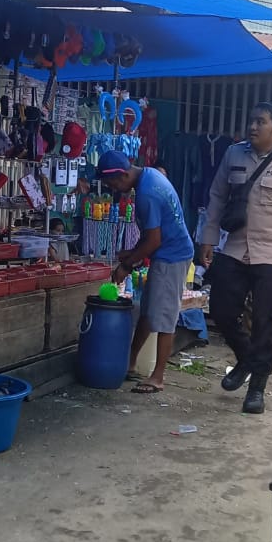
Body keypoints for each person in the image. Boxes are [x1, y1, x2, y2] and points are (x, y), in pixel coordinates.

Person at [200, 102, 272, 415]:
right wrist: (208, 237)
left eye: (260, 122)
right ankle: (246, 359)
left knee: (265, 323)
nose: (253, 127)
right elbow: (217, 196)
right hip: (235, 248)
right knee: (221, 311)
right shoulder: (233, 154)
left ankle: (257, 388)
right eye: (251, 121)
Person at [96, 152, 194, 394]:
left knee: (164, 317)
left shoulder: (147, 194)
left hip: (172, 256)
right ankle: (130, 363)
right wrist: (132, 253)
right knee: (149, 312)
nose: (114, 189)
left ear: (124, 174)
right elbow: (151, 234)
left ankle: (158, 376)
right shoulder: (149, 176)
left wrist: (127, 266)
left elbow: (154, 240)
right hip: (165, 252)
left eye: (113, 184)